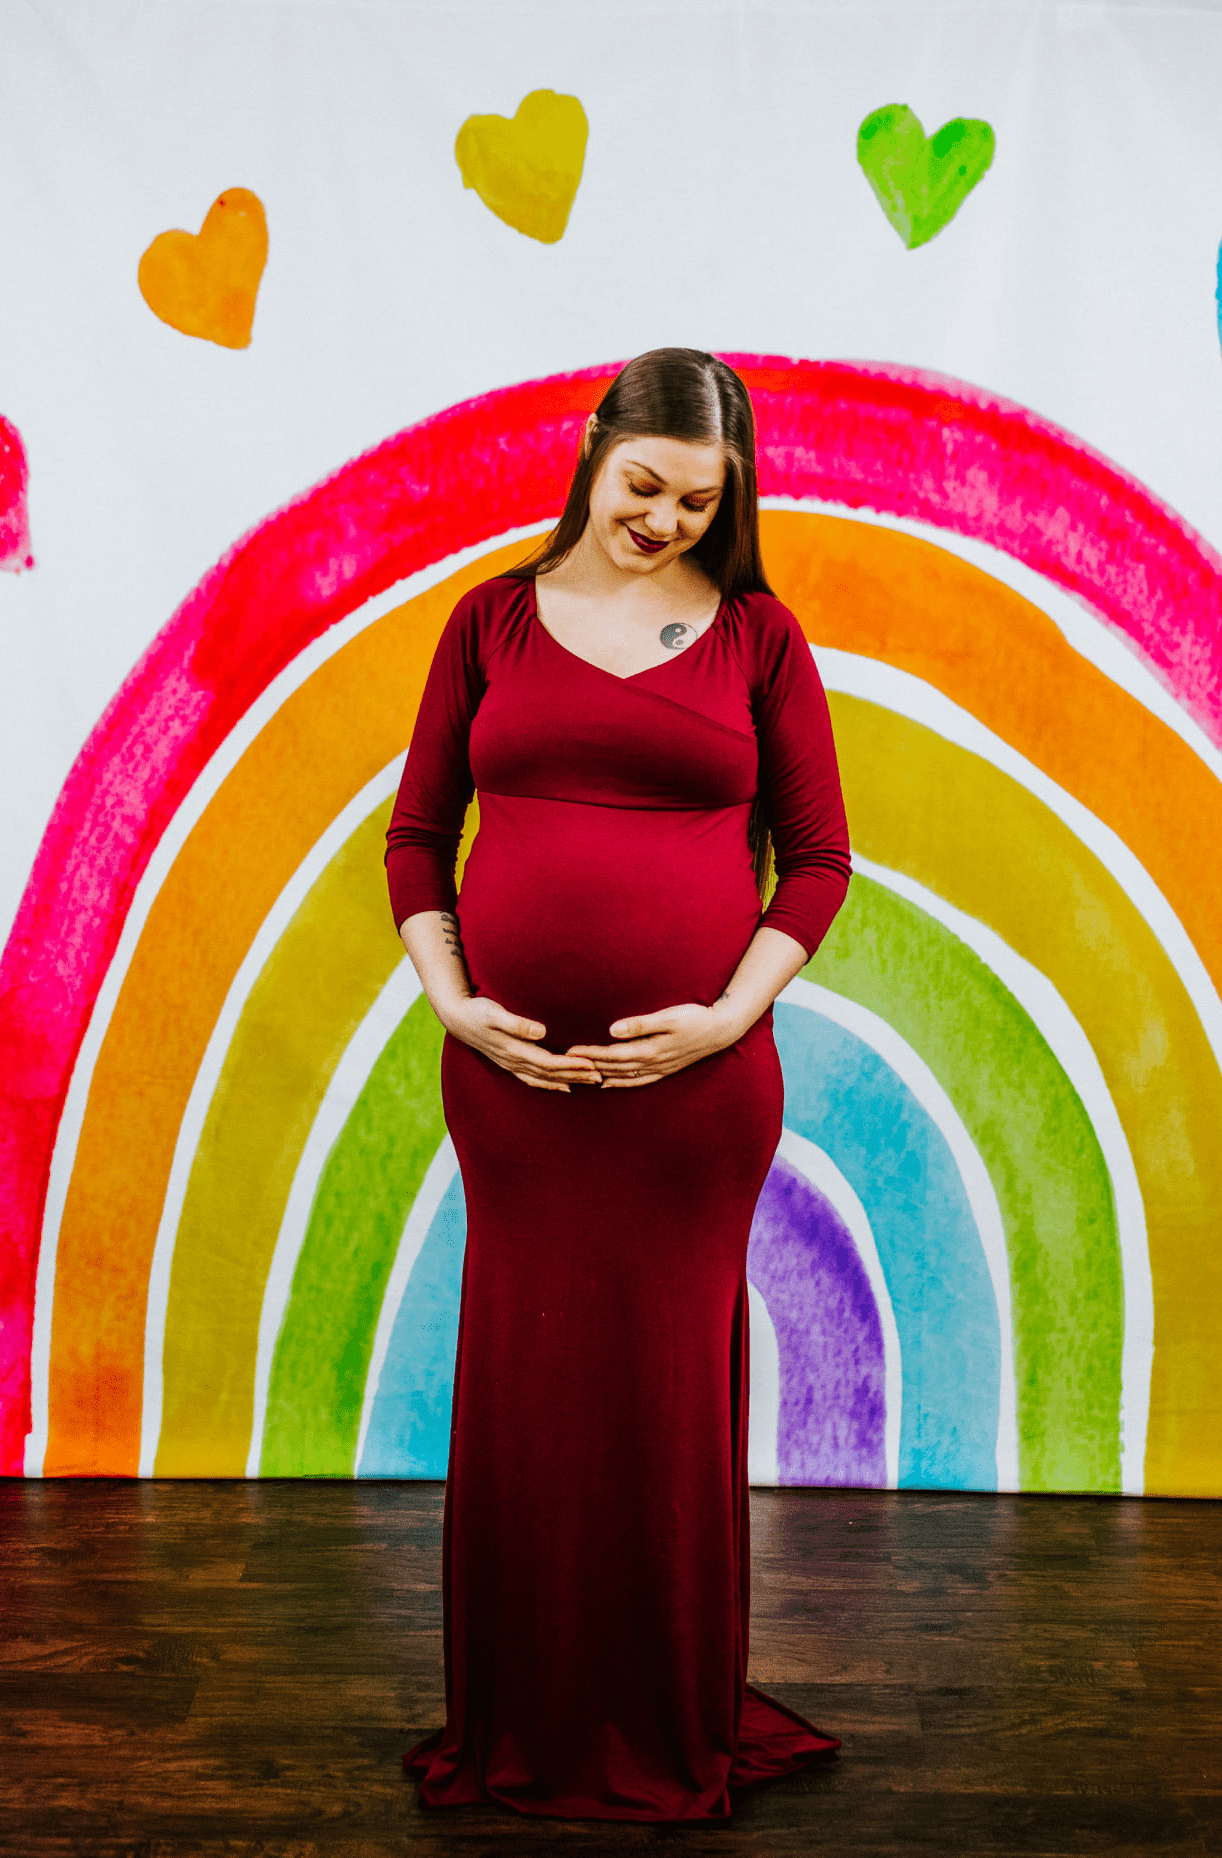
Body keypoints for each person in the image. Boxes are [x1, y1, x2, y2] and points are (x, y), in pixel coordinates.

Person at [384, 347, 851, 1822]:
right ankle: (521, 1714)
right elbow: (418, 836)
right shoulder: (489, 623)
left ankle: (661, 1717)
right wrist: (454, 998)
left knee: (661, 1411)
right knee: (529, 1400)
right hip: (513, 1091)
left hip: (692, 1110)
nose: (664, 520)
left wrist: (722, 1021)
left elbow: (818, 861)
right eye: (645, 485)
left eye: (699, 504)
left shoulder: (760, 638)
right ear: (593, 446)